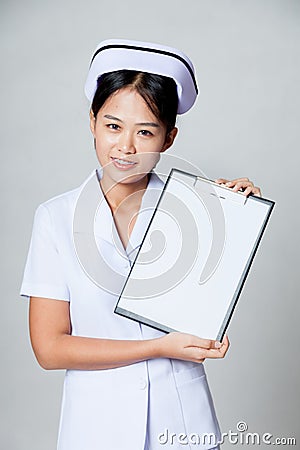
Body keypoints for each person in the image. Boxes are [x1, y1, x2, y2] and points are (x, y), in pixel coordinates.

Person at [20, 39, 261, 450]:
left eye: (145, 131)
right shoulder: (55, 218)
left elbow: (204, 313)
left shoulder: (199, 211)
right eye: (113, 126)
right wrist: (158, 347)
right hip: (95, 426)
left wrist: (236, 215)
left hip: (182, 422)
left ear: (169, 138)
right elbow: (50, 347)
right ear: (92, 122)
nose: (126, 147)